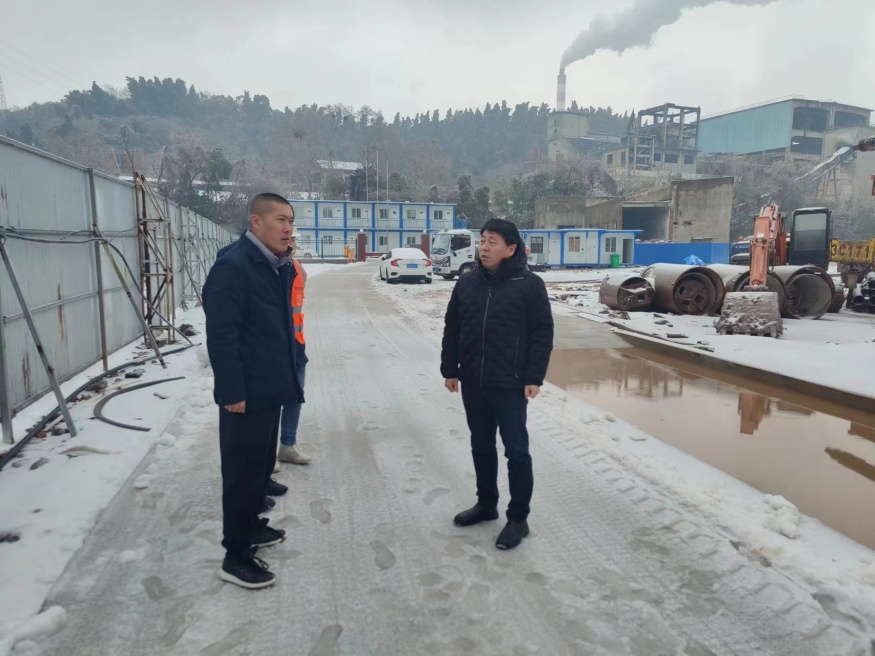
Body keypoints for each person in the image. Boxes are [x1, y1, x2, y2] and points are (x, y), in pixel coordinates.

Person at [203, 193, 304, 589]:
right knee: (241, 473)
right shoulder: (234, 267)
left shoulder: (273, 264)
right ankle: (236, 554)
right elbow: (222, 335)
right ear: (256, 222)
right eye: (280, 220)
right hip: (244, 392)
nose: (288, 228)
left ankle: (252, 526)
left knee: (259, 469)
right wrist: (231, 391)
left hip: (269, 386)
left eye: (291, 221)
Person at [440, 218, 554, 550]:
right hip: (474, 381)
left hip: (510, 383)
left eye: (492, 242)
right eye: (482, 240)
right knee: (481, 445)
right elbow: (453, 328)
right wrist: (450, 369)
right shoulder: (467, 283)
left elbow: (542, 334)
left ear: (511, 249)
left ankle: (518, 518)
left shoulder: (529, 285)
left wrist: (533, 377)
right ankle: (487, 503)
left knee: (516, 451)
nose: (484, 247)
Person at [275, 225, 312, 467]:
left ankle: (288, 445)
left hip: (296, 346)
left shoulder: (298, 269)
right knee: (269, 401)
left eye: (293, 240)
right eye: (286, 239)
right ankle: (265, 451)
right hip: (273, 347)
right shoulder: (263, 269)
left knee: (295, 397)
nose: (291, 244)